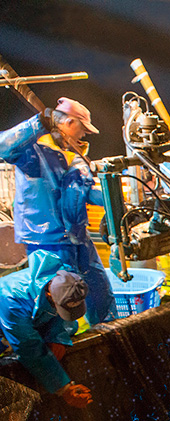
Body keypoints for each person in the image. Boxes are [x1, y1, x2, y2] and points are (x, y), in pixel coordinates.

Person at [0, 97, 115, 325]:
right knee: (58, 297)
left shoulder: (72, 157)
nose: (83, 136)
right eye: (82, 129)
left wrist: (116, 205)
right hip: (47, 240)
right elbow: (3, 145)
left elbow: (86, 193)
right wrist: (38, 122)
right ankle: (61, 343)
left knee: (98, 288)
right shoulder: (33, 151)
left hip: (77, 236)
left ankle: (108, 332)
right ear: (69, 122)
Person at [0, 249, 93, 408]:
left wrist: (57, 337)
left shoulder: (67, 278)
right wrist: (64, 388)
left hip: (31, 317)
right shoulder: (13, 300)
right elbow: (28, 347)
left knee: (70, 328)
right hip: (8, 318)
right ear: (49, 295)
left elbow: (57, 317)